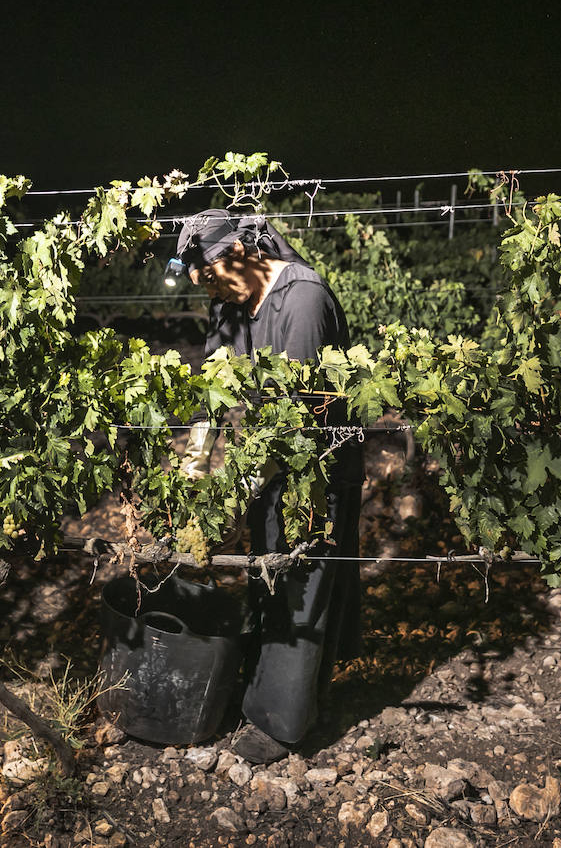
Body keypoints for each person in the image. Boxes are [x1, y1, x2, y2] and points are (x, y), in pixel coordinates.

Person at [171, 209, 364, 764]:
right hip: (270, 462)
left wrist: (235, 498)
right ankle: (268, 693)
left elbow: (296, 424)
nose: (210, 292)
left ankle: (282, 725)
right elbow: (214, 394)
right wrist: (195, 478)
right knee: (268, 577)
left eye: (210, 277)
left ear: (239, 255)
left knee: (301, 588)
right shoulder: (232, 303)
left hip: (315, 469)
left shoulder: (302, 301)